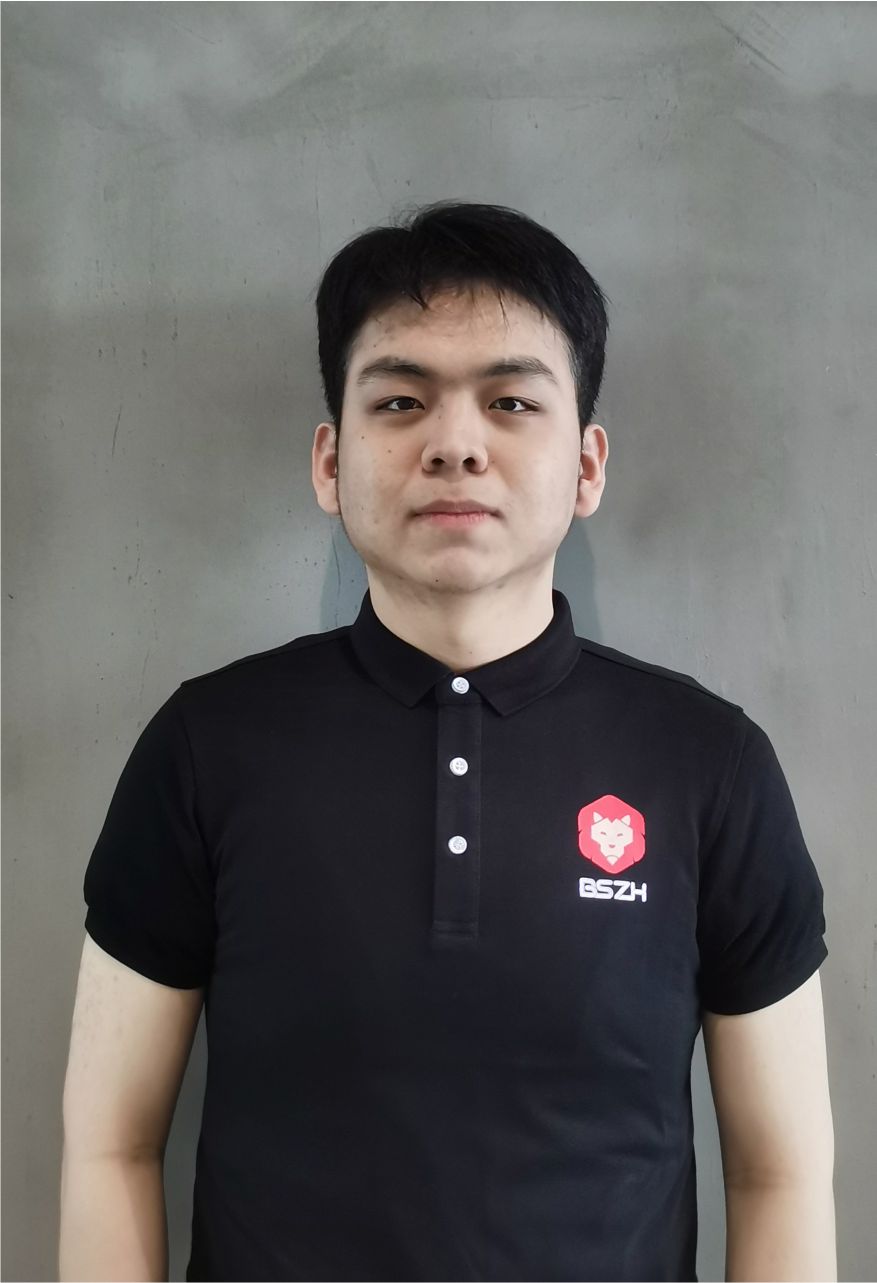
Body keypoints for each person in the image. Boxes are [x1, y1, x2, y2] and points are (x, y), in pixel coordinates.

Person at [60, 201, 836, 1282]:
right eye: (400, 400)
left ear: (587, 465)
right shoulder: (207, 746)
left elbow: (780, 1171)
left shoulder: (709, 764)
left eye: (511, 401)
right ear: (330, 460)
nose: (455, 444)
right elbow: (109, 1141)